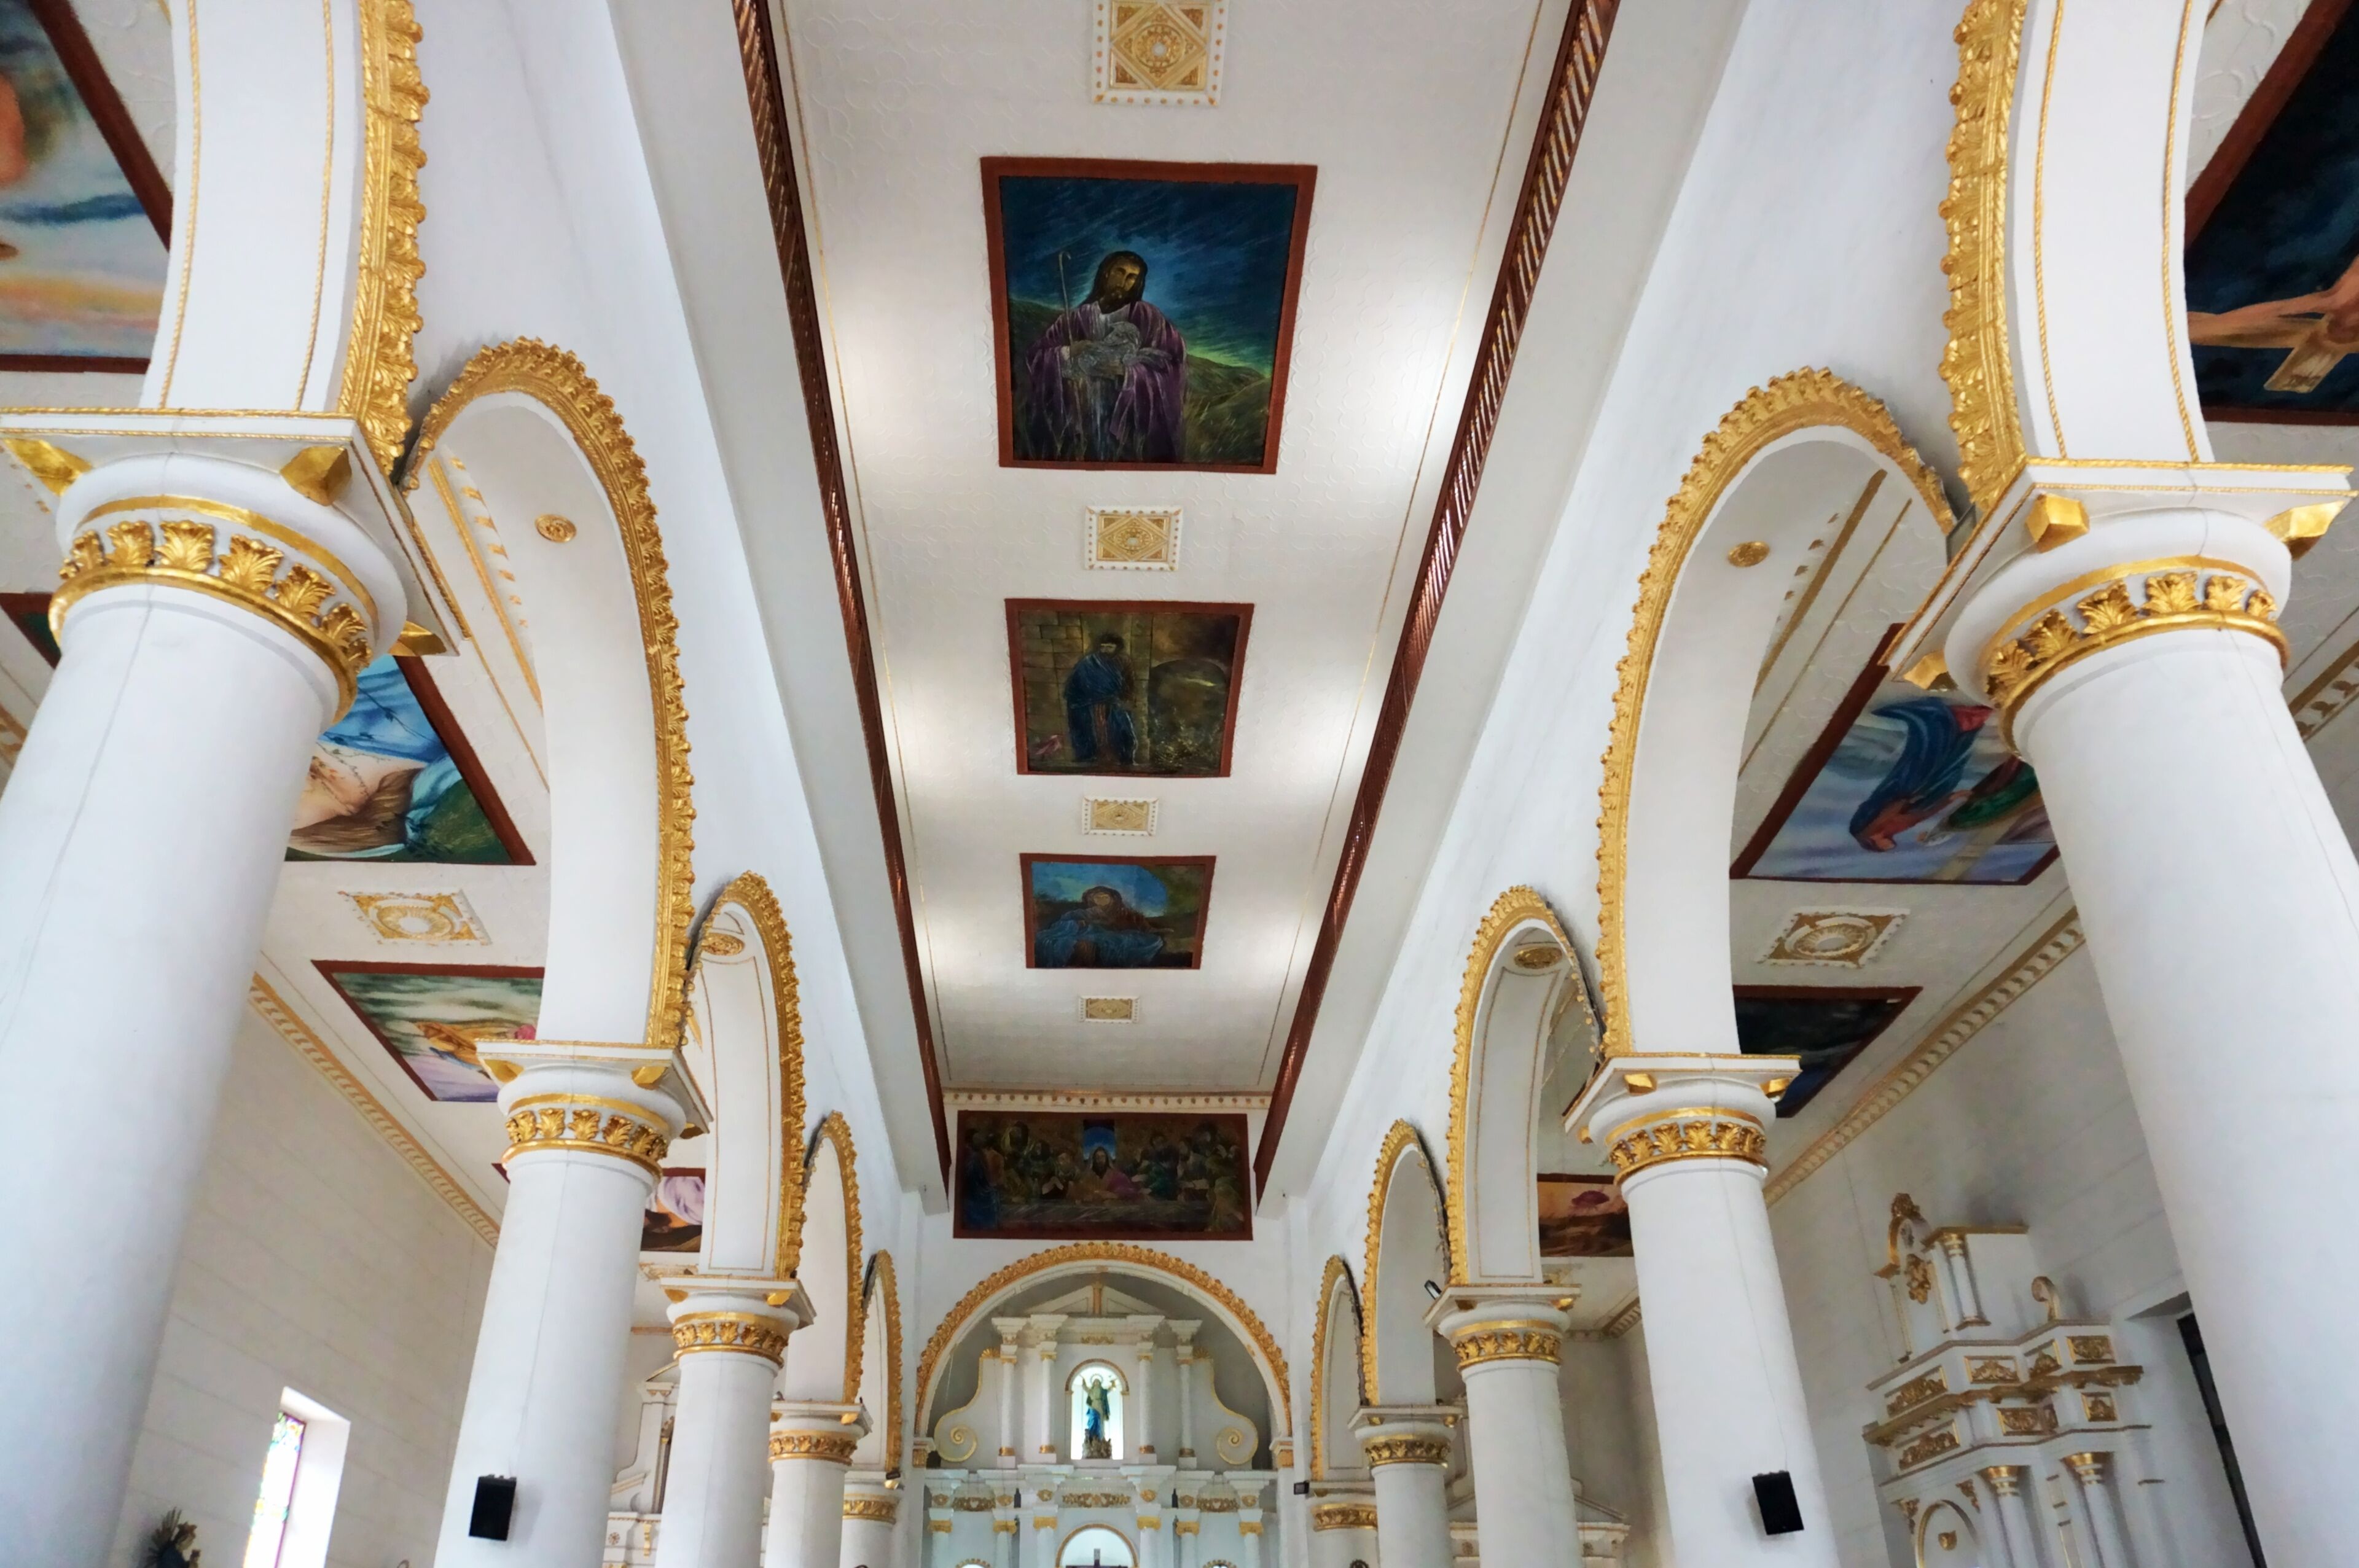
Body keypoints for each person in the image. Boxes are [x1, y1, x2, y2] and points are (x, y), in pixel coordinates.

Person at [1018, 249, 1187, 462]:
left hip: (1127, 415)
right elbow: (1036, 357)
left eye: (1132, 277)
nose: (1124, 282)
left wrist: (1127, 372)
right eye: (1120, 272)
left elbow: (1172, 364)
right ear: (1107, 273)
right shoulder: (1074, 319)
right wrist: (1068, 352)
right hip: (1082, 414)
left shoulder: (1149, 317)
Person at [1034, 885, 1165, 968]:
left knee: (1138, 941)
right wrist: (1077, 924)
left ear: (1113, 899)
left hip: (1114, 936)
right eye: (1098, 897)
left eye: (1105, 897)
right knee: (1080, 944)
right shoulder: (1082, 913)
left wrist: (1155, 930)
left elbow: (1143, 925)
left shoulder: (1125, 913)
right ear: (1092, 900)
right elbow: (1060, 924)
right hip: (1091, 935)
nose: (1101, 900)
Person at [1064, 633, 1138, 767]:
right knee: (1094, 730)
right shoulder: (1088, 662)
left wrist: (1127, 699)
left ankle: (1123, 759)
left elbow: (1129, 682)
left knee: (1121, 730)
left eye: (1109, 647)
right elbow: (1076, 682)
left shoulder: (1124, 661)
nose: (1105, 650)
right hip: (1090, 704)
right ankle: (1091, 758)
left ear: (1117, 648)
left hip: (1114, 703)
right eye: (1103, 647)